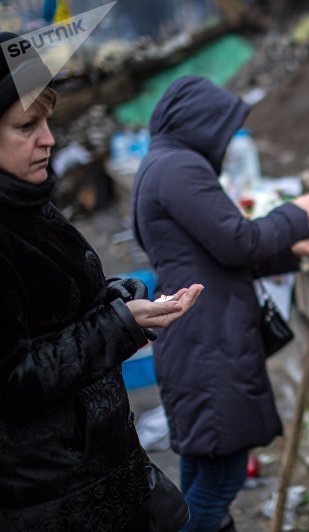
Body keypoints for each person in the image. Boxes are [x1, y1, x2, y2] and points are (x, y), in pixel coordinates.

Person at [0, 33, 203, 530]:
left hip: (97, 475)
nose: (49, 139)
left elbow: (52, 312)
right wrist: (117, 324)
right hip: (54, 500)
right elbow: (12, 379)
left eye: (47, 121)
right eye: (27, 126)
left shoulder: (26, 203)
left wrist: (115, 300)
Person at [131, 76, 309, 531]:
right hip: (208, 340)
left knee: (203, 468)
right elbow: (238, 242)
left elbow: (205, 255)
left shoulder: (160, 163)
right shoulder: (180, 166)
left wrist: (287, 251)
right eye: (225, 128)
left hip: (198, 335)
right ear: (201, 123)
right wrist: (296, 214)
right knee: (221, 478)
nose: (230, 140)